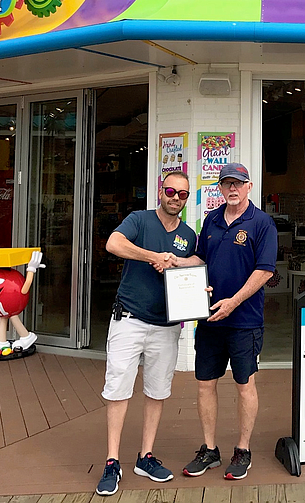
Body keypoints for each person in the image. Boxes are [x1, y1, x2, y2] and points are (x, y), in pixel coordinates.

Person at [172, 162, 277, 480]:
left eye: (238, 184)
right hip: (210, 319)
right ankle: (209, 449)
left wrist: (234, 302)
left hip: (245, 320)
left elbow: (265, 270)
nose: (232, 189)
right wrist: (175, 262)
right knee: (205, 385)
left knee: (245, 385)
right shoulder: (212, 220)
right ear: (220, 189)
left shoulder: (262, 223)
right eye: (226, 184)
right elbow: (201, 258)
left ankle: (243, 450)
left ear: (249, 187)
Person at [95, 171, 196, 496]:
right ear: (160, 191)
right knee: (118, 388)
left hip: (166, 326)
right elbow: (114, 243)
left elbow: (195, 261)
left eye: (182, 194)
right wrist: (153, 256)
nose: (175, 198)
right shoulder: (139, 220)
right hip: (129, 319)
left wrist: (179, 263)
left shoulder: (188, 234)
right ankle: (112, 461)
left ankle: (145, 456)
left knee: (157, 392)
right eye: (170, 191)